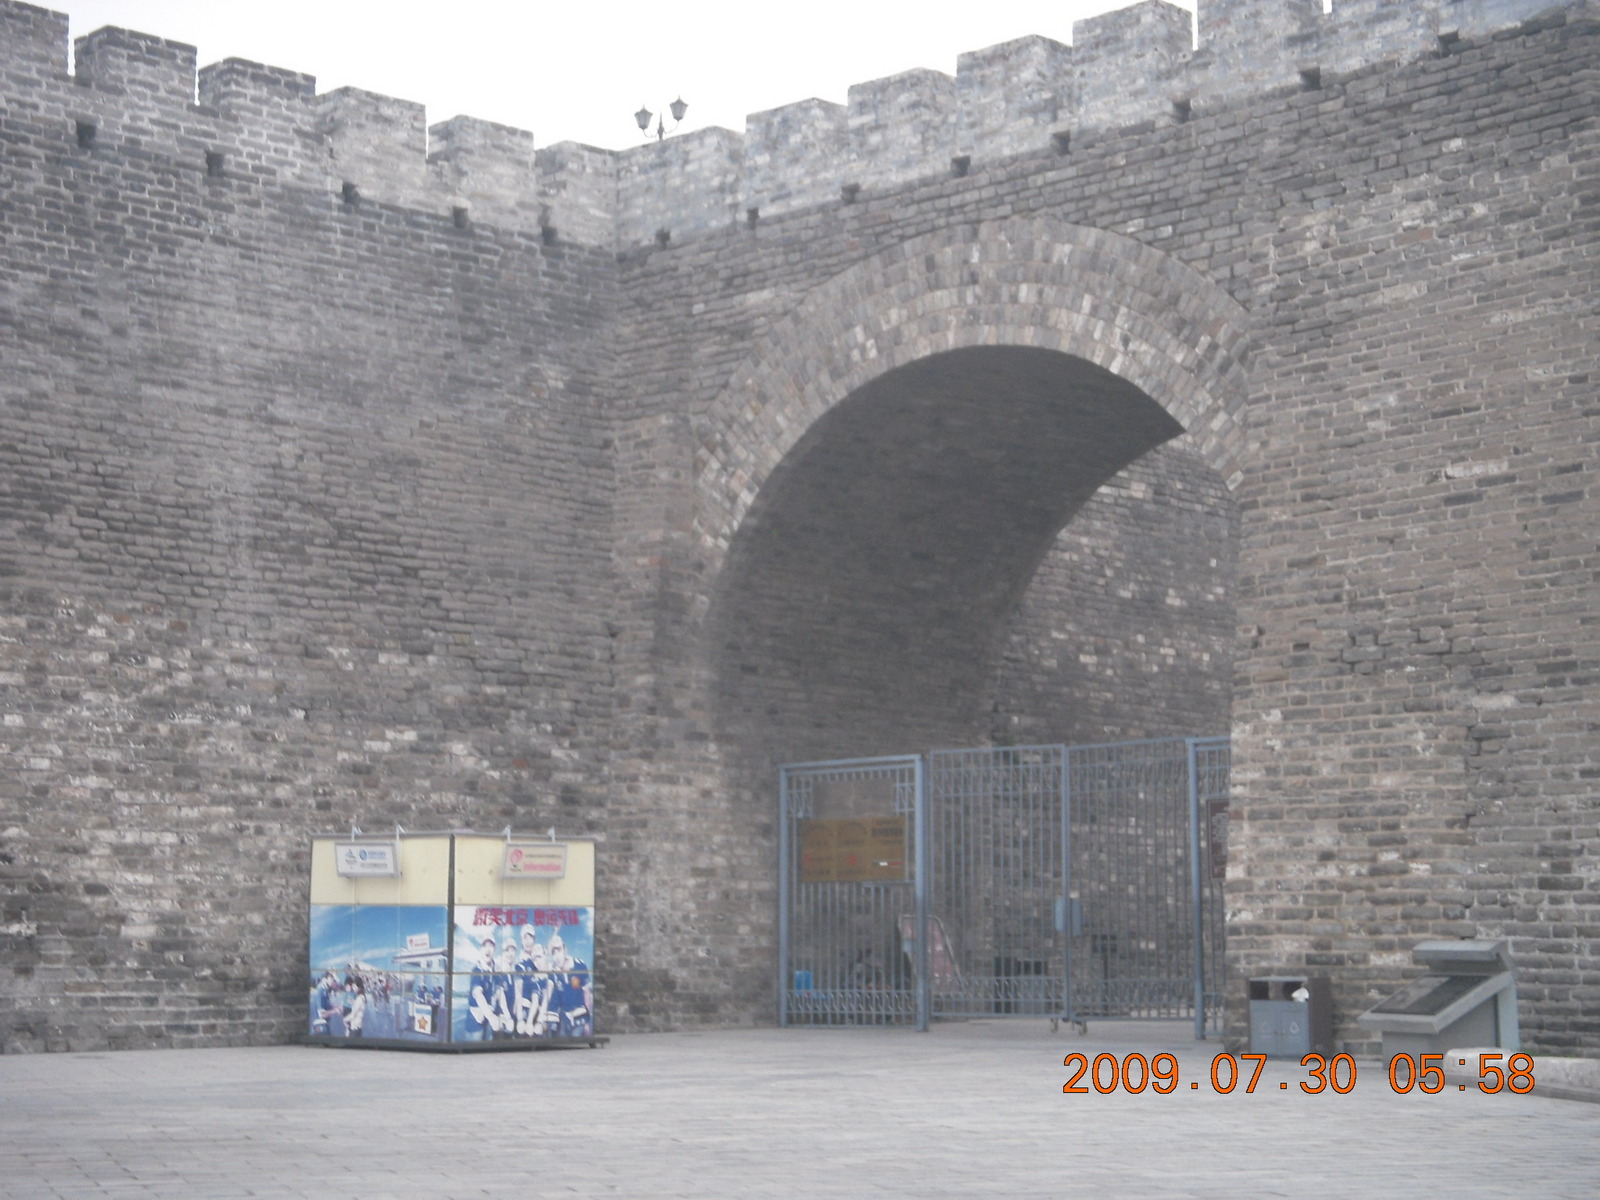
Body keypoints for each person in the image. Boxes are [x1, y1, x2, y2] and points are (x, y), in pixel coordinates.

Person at [464, 935, 500, 1040]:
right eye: (485, 946)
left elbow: (498, 990)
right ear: (481, 949)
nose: (488, 949)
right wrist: (491, 1017)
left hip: (488, 1018)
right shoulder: (477, 970)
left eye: (491, 946)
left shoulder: (495, 971)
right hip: (476, 1020)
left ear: (494, 949)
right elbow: (478, 994)